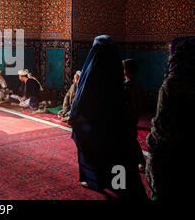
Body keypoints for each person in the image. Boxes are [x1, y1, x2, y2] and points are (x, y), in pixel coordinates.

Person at [68, 35, 147, 199]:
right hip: (114, 124)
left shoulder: (90, 74)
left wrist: (75, 118)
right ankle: (118, 184)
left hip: (94, 125)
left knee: (94, 152)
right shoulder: (116, 73)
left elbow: (80, 102)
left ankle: (96, 180)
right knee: (117, 154)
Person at [146, 36, 195, 200]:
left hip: (171, 157)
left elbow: (162, 126)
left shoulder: (173, 84)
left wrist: (151, 143)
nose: (168, 56)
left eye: (170, 53)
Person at [122, 59, 146, 172]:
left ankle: (141, 161)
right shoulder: (137, 84)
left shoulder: (126, 85)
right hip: (134, 115)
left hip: (127, 116)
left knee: (131, 139)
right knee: (130, 138)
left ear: (125, 70)